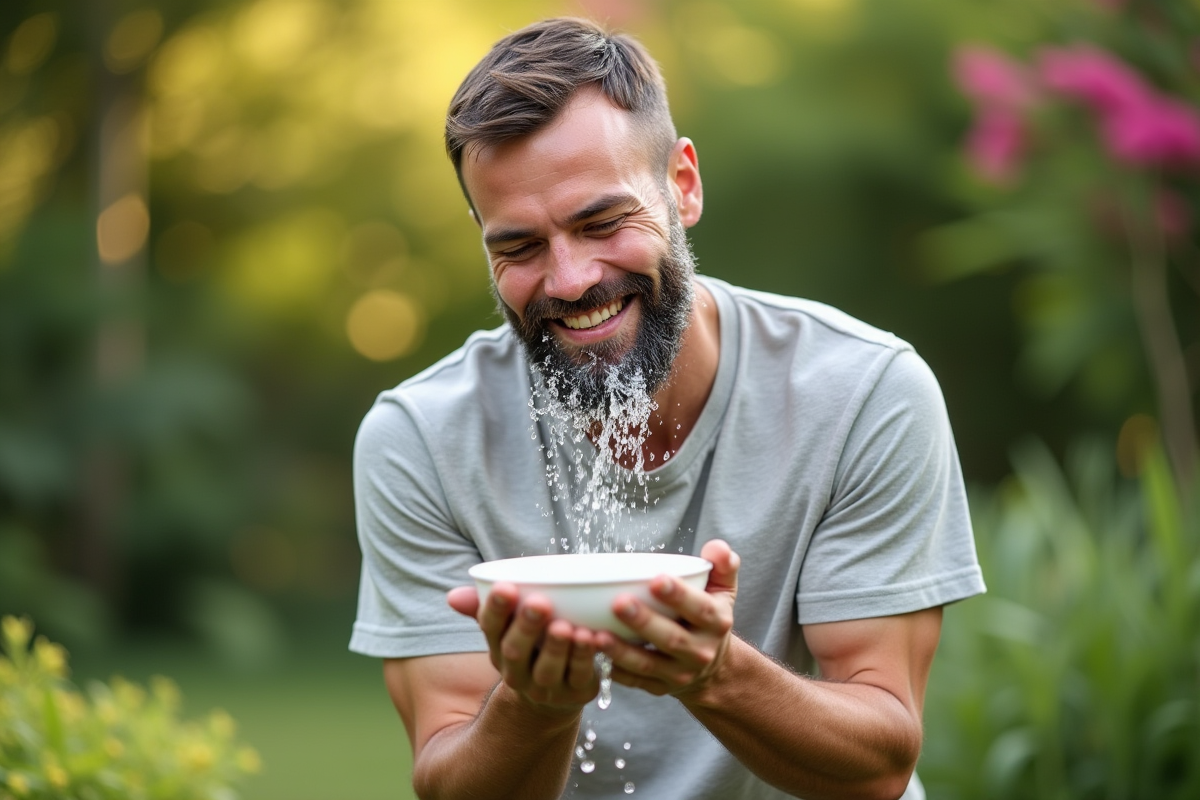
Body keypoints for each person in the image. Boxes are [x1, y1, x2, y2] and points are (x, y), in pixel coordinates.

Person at [350, 17, 985, 800]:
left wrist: (717, 674)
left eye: (602, 222)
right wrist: (537, 706)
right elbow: (450, 785)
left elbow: (881, 760)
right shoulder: (420, 440)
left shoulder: (862, 392)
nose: (572, 279)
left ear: (681, 185)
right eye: (518, 246)